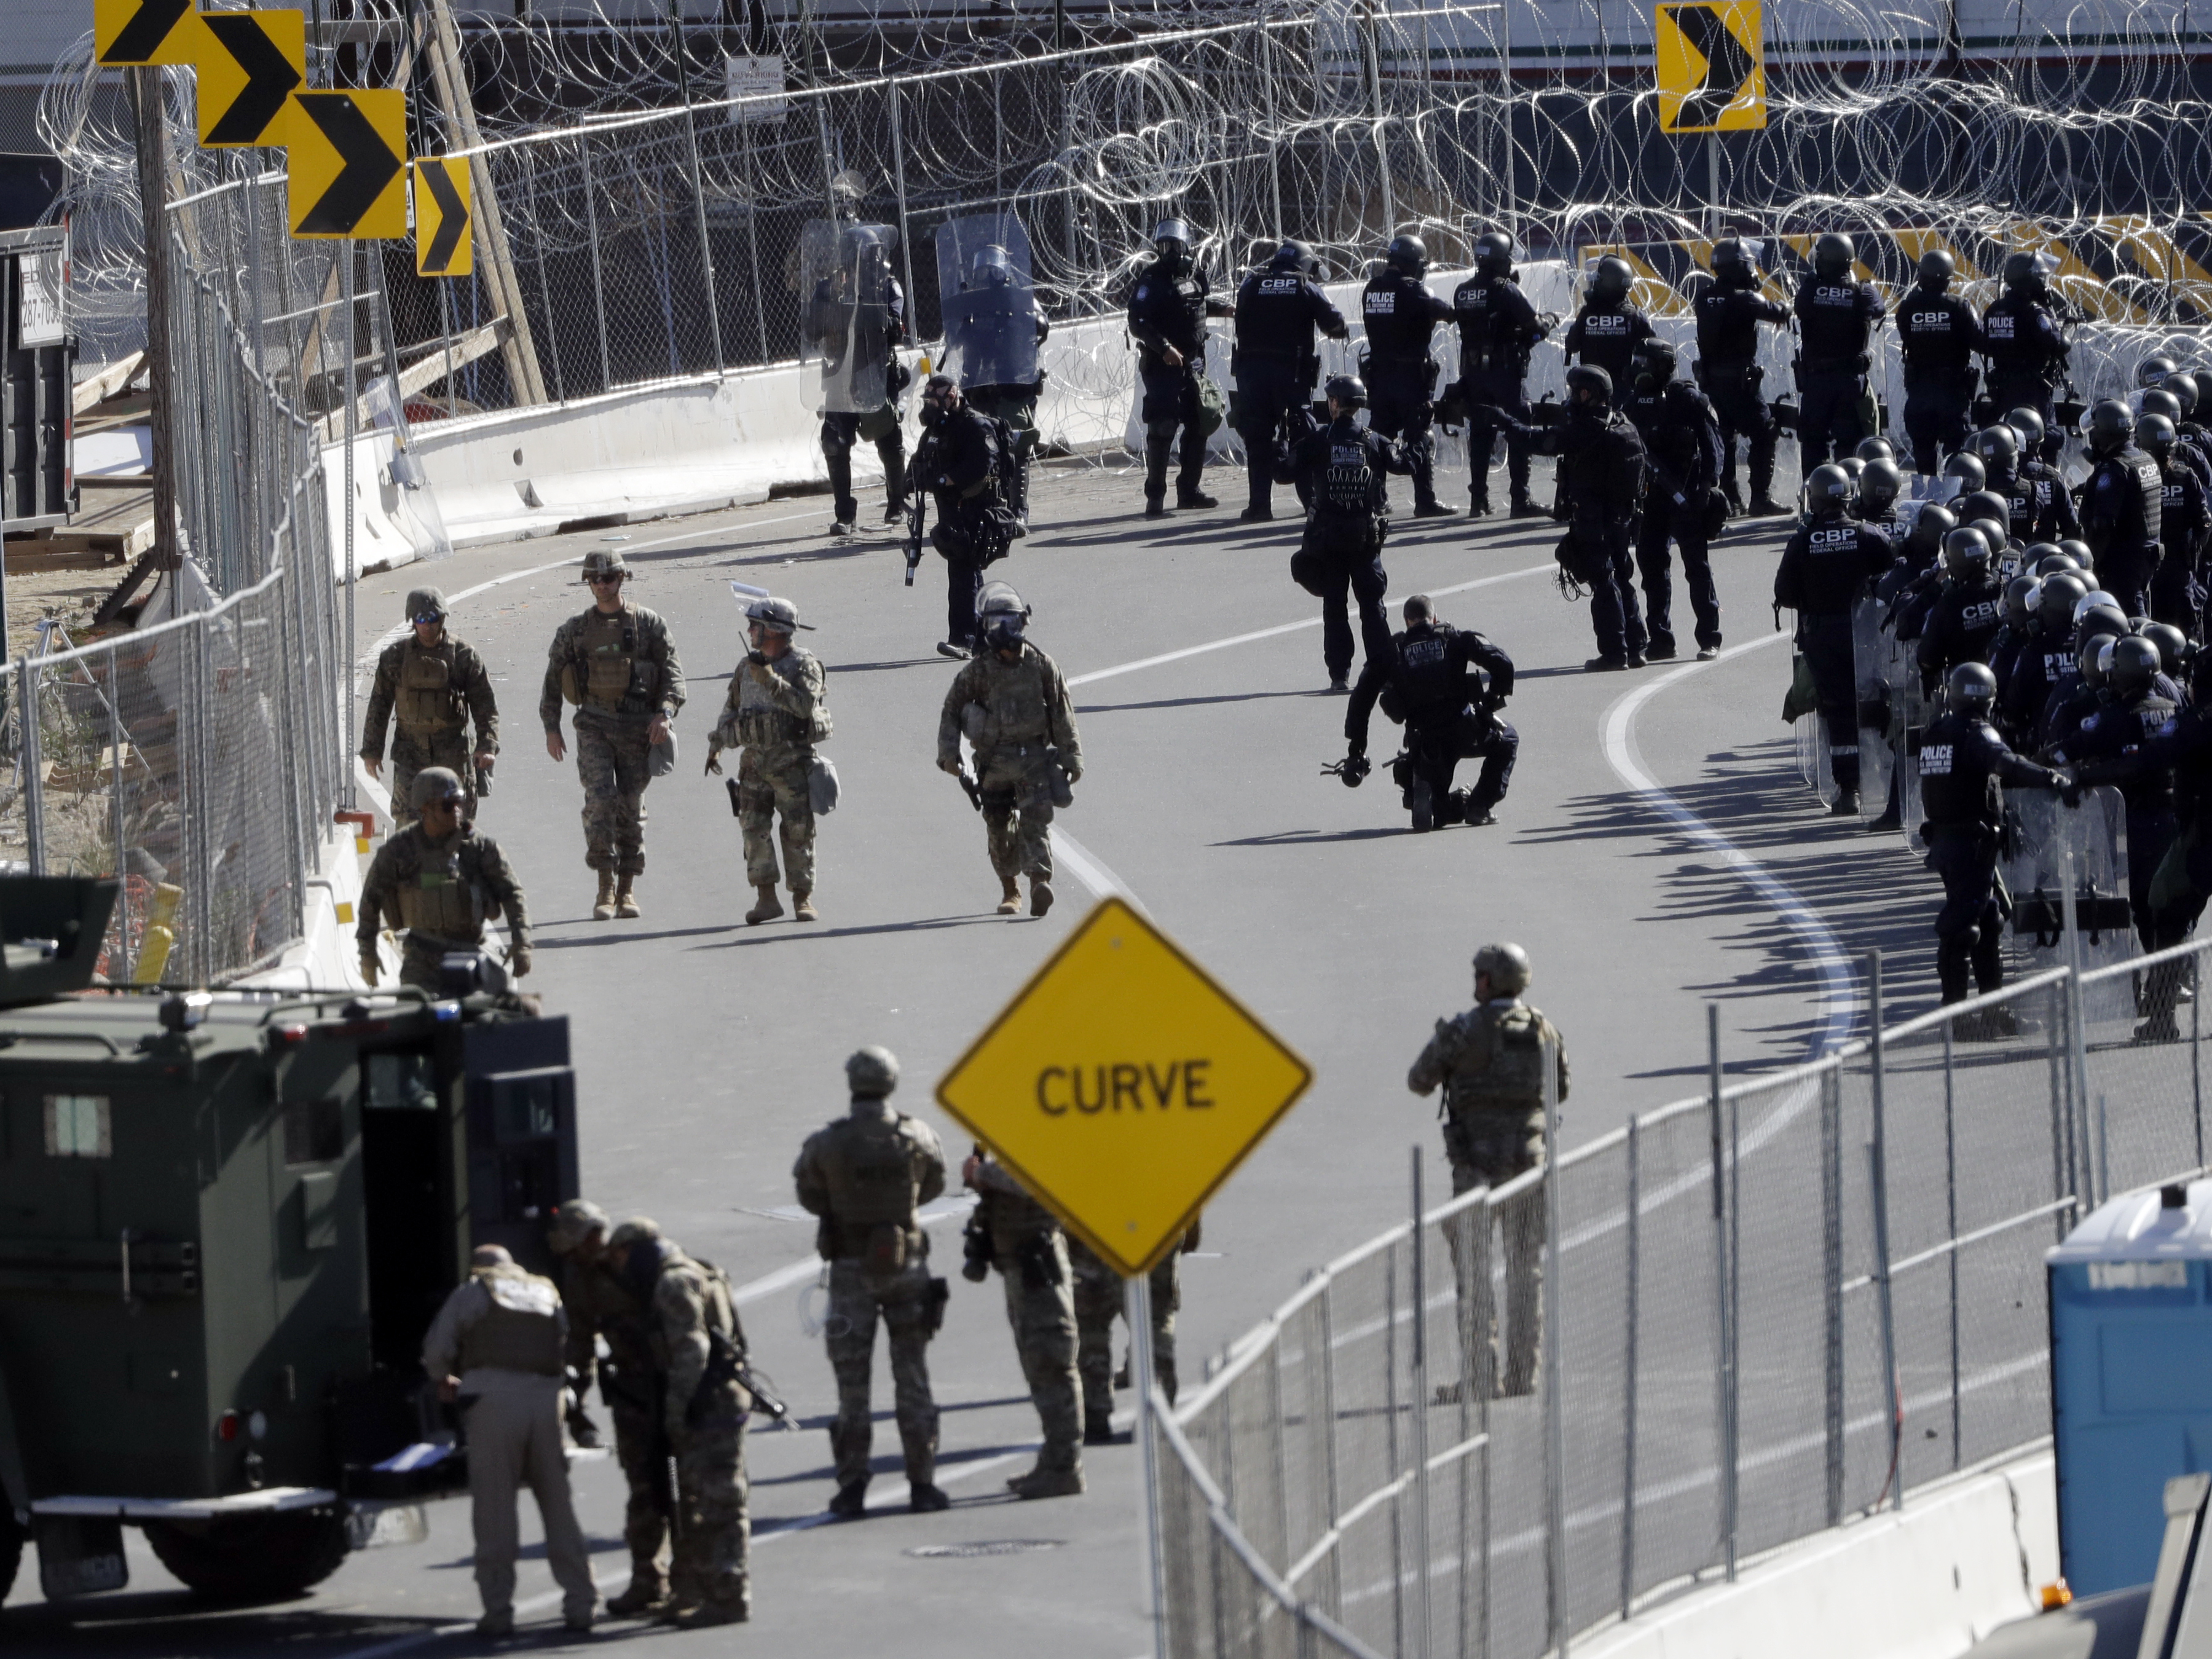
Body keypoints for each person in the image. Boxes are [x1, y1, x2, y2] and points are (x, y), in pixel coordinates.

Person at [793, 1047, 950, 1518]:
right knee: (914, 1377)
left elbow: (808, 1191)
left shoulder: (829, 1142)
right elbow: (936, 1183)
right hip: (907, 1266)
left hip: (850, 1269)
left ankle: (852, 1486)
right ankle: (922, 1483)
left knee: (852, 1385)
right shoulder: (916, 1134)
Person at [1408, 942, 1568, 1401]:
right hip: (1529, 1167)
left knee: (1475, 1274)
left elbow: (1418, 1079)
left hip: (1475, 1171)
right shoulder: (1543, 1029)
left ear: (1488, 981)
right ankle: (1523, 1373)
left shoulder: (1463, 1031)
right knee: (1526, 1269)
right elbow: (1563, 1086)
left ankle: (1480, 1375)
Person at [420, 1245, 596, 1637]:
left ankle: (498, 1611)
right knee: (558, 1505)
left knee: (495, 1509)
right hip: (547, 1402)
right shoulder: (545, 1290)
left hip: (494, 1403)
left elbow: (437, 1348)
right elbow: (564, 1340)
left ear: (479, 1266)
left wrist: (443, 1377)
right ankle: (581, 1602)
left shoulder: (474, 1290)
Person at [604, 1219, 751, 1626]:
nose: (620, 1268)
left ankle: (728, 1596)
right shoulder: (703, 1270)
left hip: (705, 1410)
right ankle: (694, 1591)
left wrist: (677, 1419)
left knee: (717, 1505)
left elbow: (691, 1355)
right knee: (698, 1503)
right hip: (720, 1401)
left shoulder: (672, 1283)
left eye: (620, 1258)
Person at [1919, 663, 2071, 1033]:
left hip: (1950, 840)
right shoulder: (1977, 732)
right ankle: (1957, 1019)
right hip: (1970, 843)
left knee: (1990, 920)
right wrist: (2049, 777)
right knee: (1962, 927)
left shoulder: (1936, 733)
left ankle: (1992, 1011)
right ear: (1988, 700)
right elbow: (2005, 763)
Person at [540, 550, 685, 920]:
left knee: (630, 806)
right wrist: (552, 728)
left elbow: (673, 676)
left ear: (623, 578)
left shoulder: (649, 624)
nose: (602, 585)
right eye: (595, 579)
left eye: (609, 578)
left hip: (639, 729)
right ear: (588, 583)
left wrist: (665, 714)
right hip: (594, 726)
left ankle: (627, 888)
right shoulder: (574, 631)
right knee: (601, 799)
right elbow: (554, 680)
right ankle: (604, 885)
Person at [1477, 366, 1650, 670]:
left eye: (1575, 392)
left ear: (1587, 394)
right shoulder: (1623, 423)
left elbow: (1536, 441)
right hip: (1623, 517)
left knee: (1603, 581)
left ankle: (1614, 651)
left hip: (1594, 517)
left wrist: (1503, 421)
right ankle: (1637, 647)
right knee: (1622, 576)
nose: (1571, 398)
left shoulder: (1586, 430)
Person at [547, 1200, 672, 1618]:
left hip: (675, 1383)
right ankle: (648, 1580)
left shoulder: (638, 1257)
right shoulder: (581, 1278)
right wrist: (575, 1404)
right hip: (633, 1393)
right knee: (644, 1488)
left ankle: (695, 1578)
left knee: (687, 1488)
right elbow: (580, 1343)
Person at [936, 583, 1082, 917]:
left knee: (1036, 821)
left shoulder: (1042, 665)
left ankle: (1038, 882)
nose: (1006, 632)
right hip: (994, 763)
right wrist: (949, 754)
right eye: (998, 623)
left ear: (1022, 624)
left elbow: (1062, 710)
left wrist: (1072, 756)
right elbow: (952, 708)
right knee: (998, 826)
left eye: (1012, 623)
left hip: (1033, 759)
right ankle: (1010, 890)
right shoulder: (978, 671)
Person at [1277, 374, 1413, 691]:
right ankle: (1381, 670)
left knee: (1335, 607)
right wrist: (1420, 436)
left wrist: (1280, 439)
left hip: (1329, 539)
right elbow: (1406, 464)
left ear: (1336, 403)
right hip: (1365, 538)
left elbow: (1283, 473)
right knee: (1373, 607)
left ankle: (1340, 674)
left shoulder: (1319, 439)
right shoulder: (1374, 440)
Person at [1775, 463, 1897, 814]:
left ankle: (1850, 791)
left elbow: (1783, 591)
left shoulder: (1802, 541)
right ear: (1849, 496)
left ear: (1813, 500)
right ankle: (1890, 778)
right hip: (1867, 633)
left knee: (1837, 710)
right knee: (1879, 700)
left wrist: (1814, 600)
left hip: (1823, 636)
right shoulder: (1870, 535)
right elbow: (1894, 576)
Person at [962, 1148, 1084, 1497]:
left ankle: (1065, 1468)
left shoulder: (1043, 1130)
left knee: (1053, 1365)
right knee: (1037, 1367)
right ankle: (1054, 1461)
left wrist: (985, 1174)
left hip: (1038, 1263)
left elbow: (1038, 1179)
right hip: (1019, 1263)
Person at [1343, 594, 1518, 831]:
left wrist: (1357, 750)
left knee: (1430, 780)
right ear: (1434, 618)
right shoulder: (1456, 639)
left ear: (1407, 621)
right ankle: (1478, 806)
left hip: (1422, 738)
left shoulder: (1393, 651)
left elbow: (1361, 699)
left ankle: (1422, 787)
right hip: (1465, 732)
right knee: (1507, 739)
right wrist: (1491, 699)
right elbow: (1503, 664)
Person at [2055, 634, 2181, 960]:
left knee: (2141, 901)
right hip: (2176, 817)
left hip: (2135, 822)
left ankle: (2160, 982)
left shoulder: (2115, 716)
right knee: (2171, 900)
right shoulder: (2174, 707)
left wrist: (2065, 774)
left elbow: (2070, 750)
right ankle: (2172, 974)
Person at [707, 596, 829, 925]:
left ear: (774, 629)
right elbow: (731, 709)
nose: (750, 631)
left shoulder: (804, 665)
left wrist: (770, 681)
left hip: (791, 761)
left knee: (798, 830)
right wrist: (716, 744)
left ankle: (803, 899)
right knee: (753, 829)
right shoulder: (746, 667)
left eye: (756, 625)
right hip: (753, 763)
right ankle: (766, 899)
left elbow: (804, 707)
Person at [356, 768, 529, 991]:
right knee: (412, 1018)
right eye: (448, 806)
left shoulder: (479, 847)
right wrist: (367, 955)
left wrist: (522, 942)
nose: (457, 812)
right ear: (426, 808)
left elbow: (512, 892)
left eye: (460, 803)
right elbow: (371, 901)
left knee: (503, 1011)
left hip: (473, 950)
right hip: (422, 958)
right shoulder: (399, 851)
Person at [1230, 240, 1349, 522]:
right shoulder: (1304, 286)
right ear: (1305, 264)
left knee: (1257, 438)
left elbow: (1241, 321)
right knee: (1304, 437)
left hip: (1251, 375)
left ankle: (1259, 506)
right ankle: (1312, 502)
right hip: (1290, 376)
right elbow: (1335, 324)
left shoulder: (1251, 283)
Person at [359, 588, 498, 826]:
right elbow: (379, 705)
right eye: (421, 619)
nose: (427, 625)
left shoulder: (464, 656)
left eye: (432, 619)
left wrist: (487, 746)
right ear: (413, 622)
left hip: (454, 751)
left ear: (442, 618)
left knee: (458, 823)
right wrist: (372, 751)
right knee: (408, 824)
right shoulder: (394, 657)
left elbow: (485, 704)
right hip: (410, 753)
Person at [1622, 337, 1724, 660]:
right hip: (1651, 499)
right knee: (1652, 568)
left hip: (1689, 494)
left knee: (1697, 568)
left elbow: (1714, 446)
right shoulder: (1633, 405)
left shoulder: (1687, 399)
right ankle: (1660, 639)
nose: (1640, 371)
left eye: (1646, 364)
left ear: (1664, 366)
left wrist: (1706, 487)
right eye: (1637, 363)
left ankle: (1709, 638)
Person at [806, 227, 907, 535]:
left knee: (888, 439)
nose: (868, 260)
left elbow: (894, 330)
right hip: (840, 374)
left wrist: (862, 304)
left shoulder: (888, 287)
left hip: (874, 374)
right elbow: (812, 333)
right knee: (833, 442)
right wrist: (832, 300)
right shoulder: (829, 288)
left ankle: (896, 503)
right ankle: (845, 515)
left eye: (873, 254)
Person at [1127, 218, 1232, 518]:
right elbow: (1138, 321)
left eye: (1176, 245)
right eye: (1165, 246)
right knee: (1163, 426)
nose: (1172, 251)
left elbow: (1198, 303)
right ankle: (1155, 496)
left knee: (1199, 422)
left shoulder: (1196, 274)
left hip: (1195, 361)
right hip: (1162, 365)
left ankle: (1189, 491)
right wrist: (1164, 348)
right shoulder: (1151, 279)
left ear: (1187, 245)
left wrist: (1222, 308)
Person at [911, 374, 1016, 660]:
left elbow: (983, 465)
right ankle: (981, 638)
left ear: (952, 395)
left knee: (964, 570)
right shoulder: (937, 427)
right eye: (928, 400)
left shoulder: (975, 425)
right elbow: (922, 456)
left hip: (974, 507)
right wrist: (913, 479)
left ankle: (964, 639)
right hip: (949, 509)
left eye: (935, 399)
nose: (931, 405)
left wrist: (947, 479)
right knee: (964, 571)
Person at [943, 244, 1048, 526]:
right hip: (979, 385)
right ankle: (986, 506)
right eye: (982, 267)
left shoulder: (1019, 298)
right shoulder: (973, 303)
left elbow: (1042, 327)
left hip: (1012, 383)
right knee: (982, 448)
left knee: (1016, 445)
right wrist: (962, 312)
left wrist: (1016, 314)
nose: (988, 272)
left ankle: (1019, 511)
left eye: (993, 265)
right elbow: (953, 342)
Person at [1450, 232, 1550, 518]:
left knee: (1480, 432)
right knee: (1519, 427)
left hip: (1472, 374)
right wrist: (1550, 321)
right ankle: (1520, 499)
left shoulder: (1463, 290)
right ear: (1501, 260)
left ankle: (1478, 500)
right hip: (1504, 373)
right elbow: (1536, 327)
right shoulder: (1506, 289)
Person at [1691, 236, 1790, 516]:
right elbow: (1780, 313)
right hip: (1739, 382)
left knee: (1725, 435)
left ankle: (1730, 496)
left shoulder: (1704, 297)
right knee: (1764, 433)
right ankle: (1760, 498)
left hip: (1711, 380)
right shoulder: (1745, 299)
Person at [1360, 234, 1456, 519]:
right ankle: (1425, 501)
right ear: (1413, 264)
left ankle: (1376, 500)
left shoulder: (1372, 289)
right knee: (1419, 436)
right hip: (1411, 379)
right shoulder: (1413, 290)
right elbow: (1447, 313)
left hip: (1379, 376)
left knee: (1378, 438)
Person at [1068, 1229, 1189, 1446]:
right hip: (1152, 1219)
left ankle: (1094, 1413)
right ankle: (1157, 1412)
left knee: (1091, 1323)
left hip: (1093, 1219)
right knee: (1152, 1318)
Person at [1792, 232, 1886, 475]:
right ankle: (1850, 494)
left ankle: (1816, 497)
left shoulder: (1810, 290)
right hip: (1850, 382)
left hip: (1817, 381)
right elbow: (1878, 309)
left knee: (1814, 443)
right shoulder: (1863, 292)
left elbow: (1800, 308)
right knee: (1850, 443)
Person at [1894, 250, 1983, 479]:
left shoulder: (1908, 307)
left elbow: (1906, 334)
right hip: (1952, 391)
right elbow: (1979, 340)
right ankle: (1953, 498)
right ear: (1948, 279)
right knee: (1956, 451)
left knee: (1923, 449)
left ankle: (1925, 497)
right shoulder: (1959, 306)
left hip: (1920, 390)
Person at [2077, 398, 2165, 620]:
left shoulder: (2114, 471)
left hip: (2122, 562)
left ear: (2105, 432)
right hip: (2148, 555)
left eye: (2095, 429)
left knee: (2132, 620)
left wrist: (2090, 563)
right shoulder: (2147, 460)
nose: (2092, 436)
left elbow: (2103, 525)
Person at [1980, 251, 2069, 450]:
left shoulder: (1994, 310)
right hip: (2032, 389)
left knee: (2007, 437)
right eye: (2041, 278)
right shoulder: (2034, 311)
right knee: (2043, 436)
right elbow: (2057, 344)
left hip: (2002, 388)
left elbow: (1985, 343)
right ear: (2030, 279)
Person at [1916, 527, 2007, 695]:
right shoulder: (2008, 591)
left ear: (1953, 564)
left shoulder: (1950, 602)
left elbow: (1928, 658)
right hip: (2009, 693)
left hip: (1969, 693)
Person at [2140, 413, 2209, 631]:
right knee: (2188, 628)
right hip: (2180, 568)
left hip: (2147, 568)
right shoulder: (2186, 476)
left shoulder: (2135, 476)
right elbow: (2204, 523)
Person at [1562, 255, 1655, 407]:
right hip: (1623, 391)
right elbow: (1652, 349)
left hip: (1591, 393)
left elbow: (1571, 345)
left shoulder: (1588, 314)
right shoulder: (1634, 316)